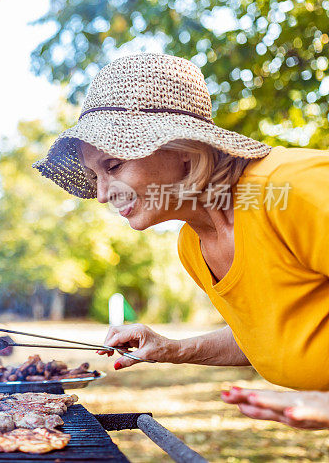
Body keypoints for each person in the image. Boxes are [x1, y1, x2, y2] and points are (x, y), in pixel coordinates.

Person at [33, 52, 329, 429]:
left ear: (184, 153)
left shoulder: (294, 192)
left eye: (113, 165)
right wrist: (172, 349)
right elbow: (277, 336)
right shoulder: (193, 245)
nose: (103, 194)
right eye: (95, 175)